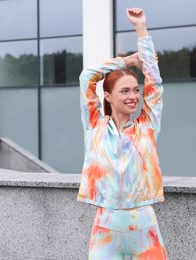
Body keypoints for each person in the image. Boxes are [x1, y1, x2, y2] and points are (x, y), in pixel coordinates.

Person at [77, 7, 168, 259]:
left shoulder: (147, 125)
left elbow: (154, 82)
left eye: (135, 90)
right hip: (105, 229)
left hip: (144, 229)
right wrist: (128, 61)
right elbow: (87, 77)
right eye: (125, 91)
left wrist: (141, 28)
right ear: (108, 96)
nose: (133, 96)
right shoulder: (94, 125)